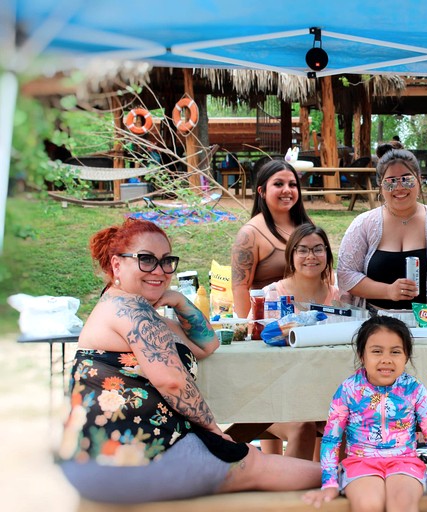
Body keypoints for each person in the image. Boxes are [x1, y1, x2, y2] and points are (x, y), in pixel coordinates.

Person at [59, 218, 320, 504]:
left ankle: (348, 475)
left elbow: (207, 343)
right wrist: (215, 432)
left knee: (253, 462)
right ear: (117, 264)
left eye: (166, 261)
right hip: (132, 457)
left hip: (100, 457)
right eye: (146, 260)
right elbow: (171, 381)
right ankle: (350, 476)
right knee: (252, 464)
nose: (159, 271)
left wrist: (179, 301)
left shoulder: (124, 305)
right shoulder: (131, 310)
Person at [302, 316, 427, 512]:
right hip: (360, 463)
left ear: (406, 357)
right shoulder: (348, 390)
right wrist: (329, 483)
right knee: (368, 505)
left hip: (405, 462)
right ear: (361, 355)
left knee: (402, 505)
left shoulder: (415, 390)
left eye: (396, 352)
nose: (386, 359)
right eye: (377, 351)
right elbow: (331, 438)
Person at [230, 159, 315, 459]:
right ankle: (280, 472)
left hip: (306, 336)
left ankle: (316, 477)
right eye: (279, 184)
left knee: (313, 407)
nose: (287, 190)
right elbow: (240, 287)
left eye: (292, 184)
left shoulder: (305, 228)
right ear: (261, 191)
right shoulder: (250, 234)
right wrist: (250, 333)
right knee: (273, 410)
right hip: (268, 336)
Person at [337, 149, 427, 309]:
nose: (399, 187)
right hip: (375, 322)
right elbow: (345, 274)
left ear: (419, 180)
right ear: (380, 185)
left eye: (407, 180)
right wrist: (388, 291)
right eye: (390, 181)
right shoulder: (363, 223)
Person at [262, 223, 350, 307]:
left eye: (318, 249)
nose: (311, 256)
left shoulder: (340, 299)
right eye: (302, 251)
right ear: (291, 255)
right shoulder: (270, 296)